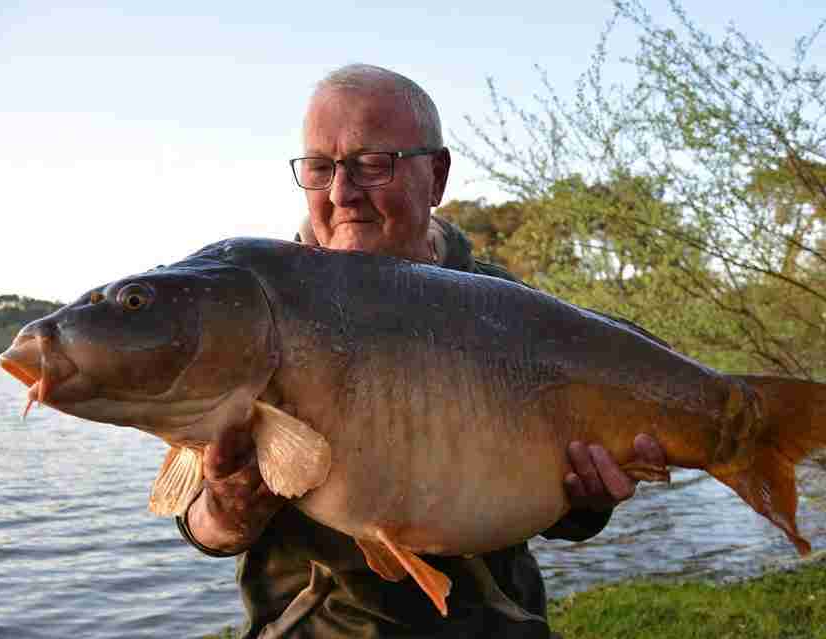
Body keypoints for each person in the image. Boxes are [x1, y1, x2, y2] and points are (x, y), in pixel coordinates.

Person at [176, 64, 667, 638]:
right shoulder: (253, 312)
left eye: (371, 164)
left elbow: (566, 517)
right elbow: (200, 526)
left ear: (436, 176)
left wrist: (589, 502)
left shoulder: (509, 310)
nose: (341, 193)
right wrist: (228, 508)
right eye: (320, 168)